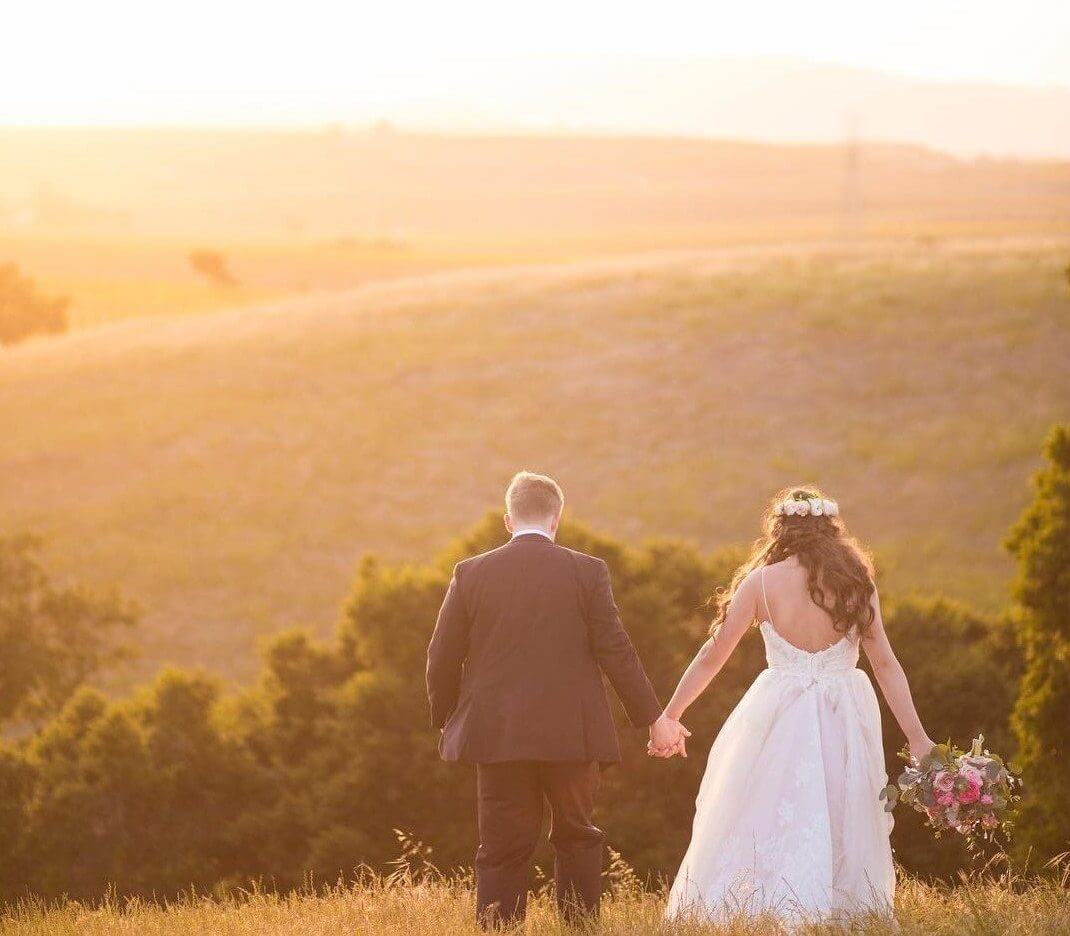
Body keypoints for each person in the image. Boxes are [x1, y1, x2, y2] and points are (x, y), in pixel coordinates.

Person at [654, 487, 934, 926]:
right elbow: (885, 664)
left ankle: (762, 913)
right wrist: (918, 738)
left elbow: (712, 656)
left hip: (776, 713)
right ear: (831, 531)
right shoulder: (856, 582)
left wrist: (671, 714)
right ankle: (832, 915)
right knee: (843, 814)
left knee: (765, 812)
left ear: (780, 531)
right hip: (844, 711)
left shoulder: (761, 583)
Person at [426, 470, 688, 928]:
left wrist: (447, 718)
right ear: (557, 519)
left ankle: (499, 929)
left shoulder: (471, 573)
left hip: (498, 735)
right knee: (577, 835)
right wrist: (653, 719)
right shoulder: (587, 571)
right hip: (572, 734)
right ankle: (579, 929)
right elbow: (616, 650)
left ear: (508, 519)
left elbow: (441, 656)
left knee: (501, 845)